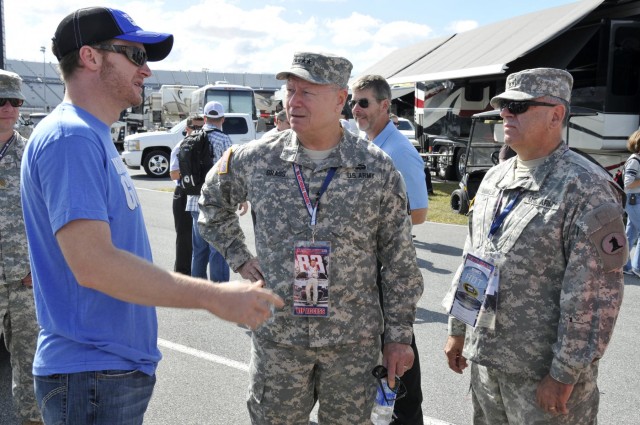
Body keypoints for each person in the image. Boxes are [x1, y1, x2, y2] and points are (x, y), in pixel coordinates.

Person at [20, 7, 283, 424]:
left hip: (103, 372)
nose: (147, 71)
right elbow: (94, 265)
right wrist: (214, 296)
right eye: (136, 56)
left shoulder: (88, 134)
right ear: (90, 57)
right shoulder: (71, 137)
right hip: (91, 373)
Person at [198, 51, 424, 424]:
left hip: (352, 344)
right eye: (290, 90)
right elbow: (211, 204)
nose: (294, 101)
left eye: (307, 92)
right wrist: (239, 256)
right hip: (279, 339)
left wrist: (398, 335)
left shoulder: (376, 168)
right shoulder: (257, 159)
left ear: (339, 98)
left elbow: (399, 259)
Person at [443, 68, 626, 424]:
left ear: (556, 115)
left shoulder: (586, 188)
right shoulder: (496, 177)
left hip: (543, 377)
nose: (506, 114)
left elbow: (594, 296)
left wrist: (563, 374)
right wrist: (458, 329)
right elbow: (474, 258)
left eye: (519, 107)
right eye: (504, 107)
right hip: (488, 364)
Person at [351, 74, 428, 425]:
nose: (356, 109)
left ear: (385, 105)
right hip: (365, 276)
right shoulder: (366, 144)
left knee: (398, 374)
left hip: (389, 276)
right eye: (353, 102)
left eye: (363, 102)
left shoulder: (398, 150)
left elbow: (420, 212)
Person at [0, 70, 42, 425]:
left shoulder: (32, 155)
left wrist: (38, 266)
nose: (9, 108)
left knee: (30, 363)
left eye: (15, 101)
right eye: (1, 100)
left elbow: (49, 217)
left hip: (24, 279)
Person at [186, 101, 240, 282]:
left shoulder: (191, 137)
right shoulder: (224, 140)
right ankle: (219, 287)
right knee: (218, 247)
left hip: (194, 200)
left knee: (199, 247)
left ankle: (197, 285)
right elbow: (231, 171)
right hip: (216, 203)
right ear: (223, 119)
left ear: (204, 118)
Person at [170, 114, 205, 275]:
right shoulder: (181, 146)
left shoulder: (203, 145)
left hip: (198, 193)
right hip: (183, 193)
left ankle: (195, 274)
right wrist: (190, 172)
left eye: (201, 127)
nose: (198, 131)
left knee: (199, 240)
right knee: (184, 236)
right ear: (187, 129)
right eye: (195, 128)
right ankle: (182, 274)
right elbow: (174, 174)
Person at [622, 129, 640, 277]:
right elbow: (628, 184)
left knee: (630, 235)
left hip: (635, 200)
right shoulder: (635, 160)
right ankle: (637, 267)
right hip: (634, 200)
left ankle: (625, 266)